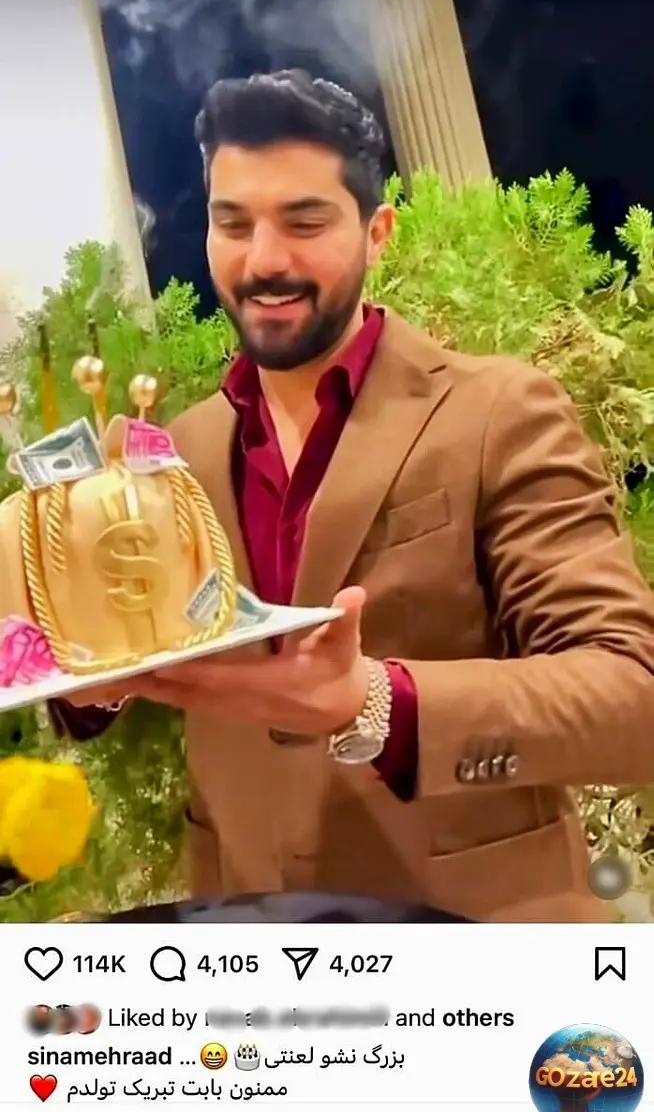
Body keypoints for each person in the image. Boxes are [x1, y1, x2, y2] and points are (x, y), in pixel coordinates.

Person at [53, 70, 654, 923]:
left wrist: (375, 701)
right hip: (247, 945)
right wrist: (87, 673)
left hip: (478, 944)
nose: (265, 261)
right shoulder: (174, 451)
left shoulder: (497, 413)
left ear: (377, 233)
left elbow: (630, 698)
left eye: (304, 222)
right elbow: (136, 657)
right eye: (234, 224)